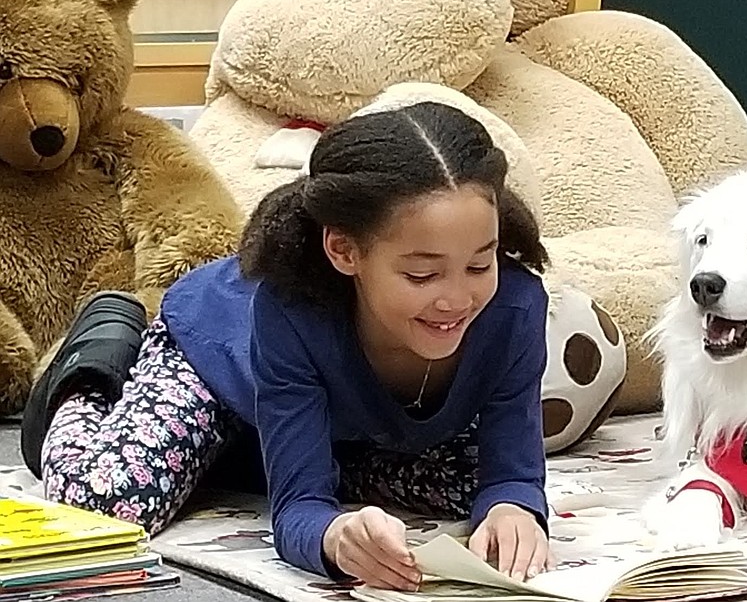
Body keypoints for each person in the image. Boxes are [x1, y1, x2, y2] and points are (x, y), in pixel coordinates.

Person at [19, 102, 553, 589]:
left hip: (346, 424)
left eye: (480, 264)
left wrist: (514, 506)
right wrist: (333, 537)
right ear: (344, 251)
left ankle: (243, 452)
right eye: (421, 275)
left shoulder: (516, 308)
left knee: (470, 489)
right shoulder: (288, 310)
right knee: (108, 501)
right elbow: (299, 507)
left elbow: (514, 473)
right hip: (214, 359)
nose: (457, 299)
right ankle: (98, 354)